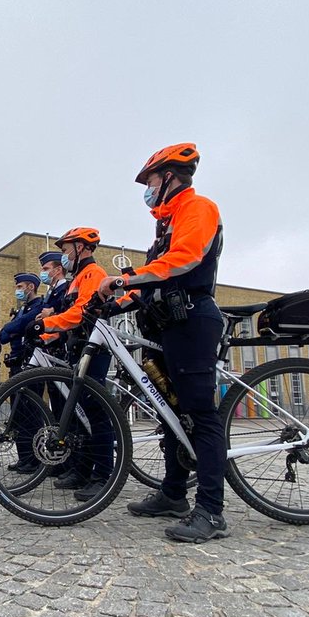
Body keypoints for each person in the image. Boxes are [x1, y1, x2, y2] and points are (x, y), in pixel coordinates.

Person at [98, 143, 229, 543]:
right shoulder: (166, 224)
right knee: (171, 412)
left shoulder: (198, 208)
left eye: (150, 182)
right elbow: (152, 281)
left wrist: (123, 279)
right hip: (168, 322)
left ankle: (211, 511)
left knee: (200, 414)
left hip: (193, 319)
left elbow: (185, 260)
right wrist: (113, 301)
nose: (148, 190)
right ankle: (173, 494)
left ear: (169, 177)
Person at [32, 228, 112, 502]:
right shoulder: (78, 278)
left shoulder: (93, 273)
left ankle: (103, 475)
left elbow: (80, 313)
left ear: (81, 248)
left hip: (95, 349)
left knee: (95, 412)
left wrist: (46, 324)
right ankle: (83, 469)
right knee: (81, 413)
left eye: (66, 250)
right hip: (78, 348)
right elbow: (68, 318)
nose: (64, 256)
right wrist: (45, 334)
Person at [0, 273, 45, 472]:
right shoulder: (22, 310)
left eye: (20, 286)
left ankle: (36, 459)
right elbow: (3, 336)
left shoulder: (39, 306)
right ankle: (24, 457)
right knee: (18, 413)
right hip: (17, 364)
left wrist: (14, 328)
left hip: (32, 363)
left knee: (31, 413)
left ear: (30, 287)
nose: (17, 290)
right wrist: (15, 328)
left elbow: (20, 325)